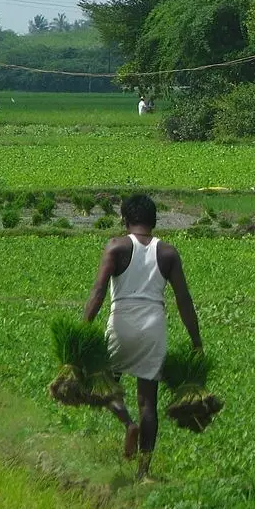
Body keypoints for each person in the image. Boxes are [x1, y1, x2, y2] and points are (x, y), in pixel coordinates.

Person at [82, 193, 202, 480]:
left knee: (102, 384)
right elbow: (184, 301)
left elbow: (98, 292)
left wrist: (83, 328)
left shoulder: (116, 247)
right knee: (148, 401)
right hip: (154, 327)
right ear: (154, 221)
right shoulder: (168, 253)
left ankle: (127, 423)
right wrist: (197, 342)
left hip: (122, 321)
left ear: (125, 219)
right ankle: (144, 471)